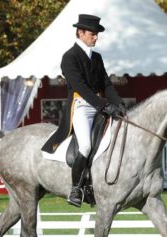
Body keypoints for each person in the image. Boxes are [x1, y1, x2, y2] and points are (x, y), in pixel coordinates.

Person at [41, 14, 125, 207]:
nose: (96, 37)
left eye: (97, 34)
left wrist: (119, 103)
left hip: (99, 106)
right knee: (86, 146)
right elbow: (79, 86)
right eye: (93, 34)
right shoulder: (69, 57)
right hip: (81, 106)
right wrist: (103, 104)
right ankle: (76, 189)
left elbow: (106, 83)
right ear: (81, 33)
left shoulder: (97, 57)